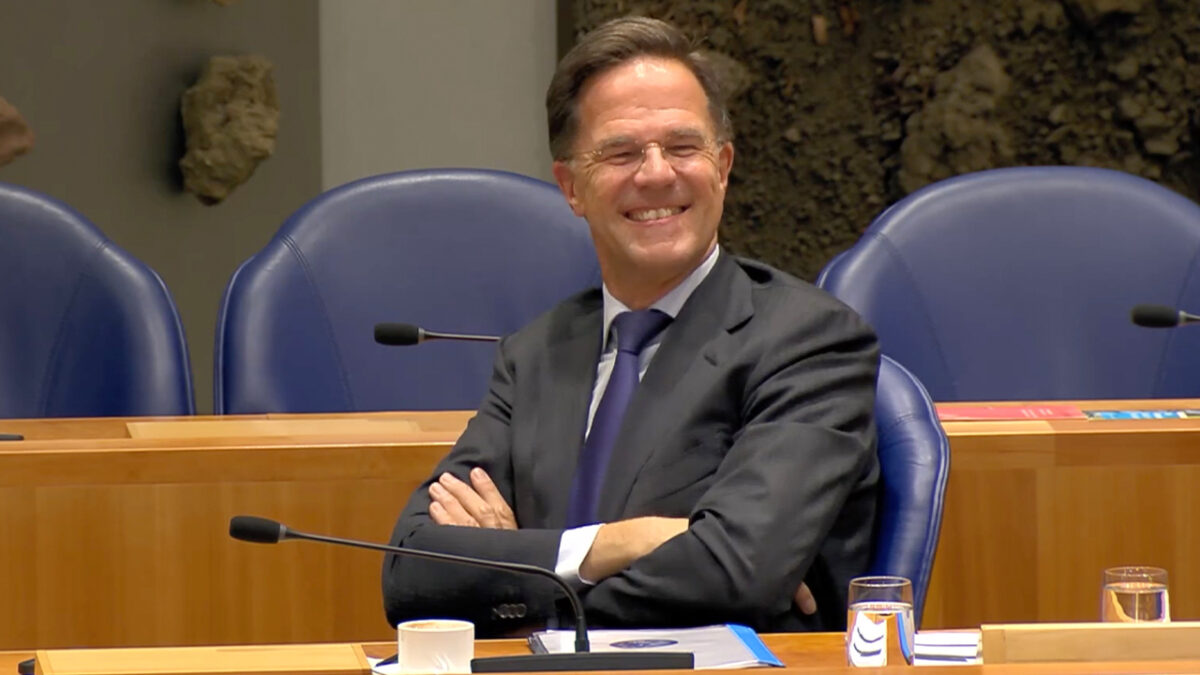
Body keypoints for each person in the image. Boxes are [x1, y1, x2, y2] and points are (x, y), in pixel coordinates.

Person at [382, 16, 879, 635]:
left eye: (683, 147)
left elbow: (736, 573)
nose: (656, 174)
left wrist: (520, 569)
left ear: (723, 167)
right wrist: (624, 542)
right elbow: (412, 571)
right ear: (571, 187)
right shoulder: (536, 354)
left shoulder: (809, 342)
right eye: (621, 153)